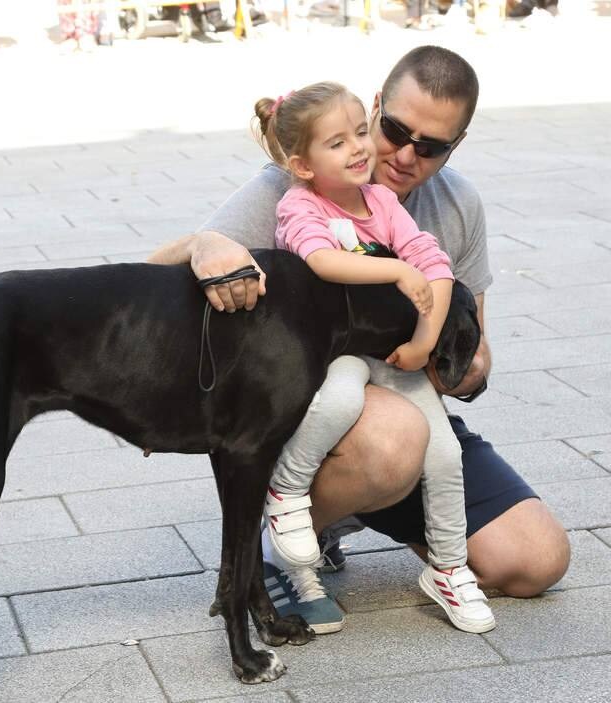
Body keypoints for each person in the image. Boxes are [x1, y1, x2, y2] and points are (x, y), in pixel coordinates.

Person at [147, 45, 570, 635]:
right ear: (375, 107)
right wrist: (200, 246)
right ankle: (270, 547)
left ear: (457, 145)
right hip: (320, 416)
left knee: (535, 562)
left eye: (431, 146)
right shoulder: (296, 184)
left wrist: (468, 367)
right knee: (391, 434)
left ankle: (348, 518)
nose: (403, 154)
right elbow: (153, 277)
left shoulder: (457, 203)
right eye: (394, 130)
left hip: (409, 396)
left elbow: (474, 342)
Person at [254, 81, 495, 634]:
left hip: (391, 352)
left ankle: (449, 567)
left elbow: (432, 264)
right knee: (335, 401)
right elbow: (320, 261)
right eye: (337, 143)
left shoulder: (383, 202)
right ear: (303, 164)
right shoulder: (298, 204)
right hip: (331, 350)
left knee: (444, 453)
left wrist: (423, 339)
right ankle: (286, 491)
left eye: (361, 132)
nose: (360, 148)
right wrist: (394, 270)